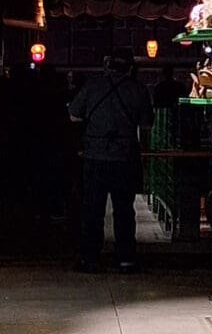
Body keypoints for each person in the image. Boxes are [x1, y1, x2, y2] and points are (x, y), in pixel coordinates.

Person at [68, 48, 154, 273]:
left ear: (107, 64)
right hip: (125, 156)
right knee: (124, 209)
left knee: (92, 209)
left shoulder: (93, 86)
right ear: (130, 67)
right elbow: (147, 123)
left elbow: (74, 114)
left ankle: (90, 259)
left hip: (95, 154)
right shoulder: (138, 90)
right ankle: (126, 259)